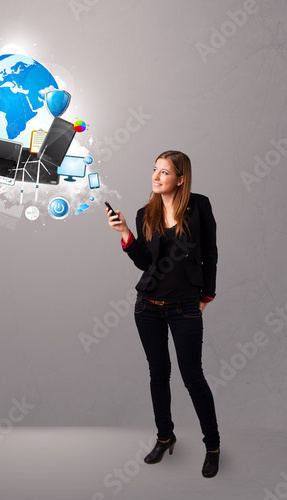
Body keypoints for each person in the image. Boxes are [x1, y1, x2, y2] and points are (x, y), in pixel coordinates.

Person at [106, 150, 220, 478]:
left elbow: (210, 252)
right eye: (154, 170)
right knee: (158, 374)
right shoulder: (145, 213)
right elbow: (145, 262)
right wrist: (126, 233)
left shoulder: (199, 206)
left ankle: (212, 446)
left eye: (165, 172)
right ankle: (164, 437)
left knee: (193, 377)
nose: (156, 177)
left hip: (185, 306)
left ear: (181, 179)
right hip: (148, 308)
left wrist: (207, 295)